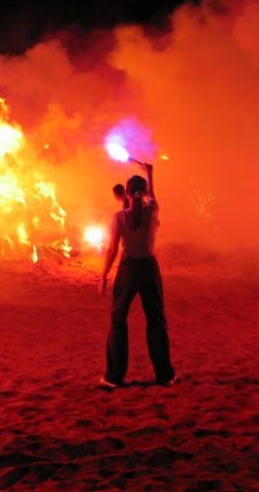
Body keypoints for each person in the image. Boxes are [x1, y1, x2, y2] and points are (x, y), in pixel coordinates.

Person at [98, 161, 177, 388]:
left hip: (129, 270)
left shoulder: (119, 218)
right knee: (156, 320)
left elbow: (112, 250)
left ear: (127, 194)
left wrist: (103, 276)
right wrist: (150, 174)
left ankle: (114, 377)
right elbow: (152, 196)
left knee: (118, 321)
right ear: (143, 193)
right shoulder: (152, 211)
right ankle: (165, 376)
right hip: (150, 269)